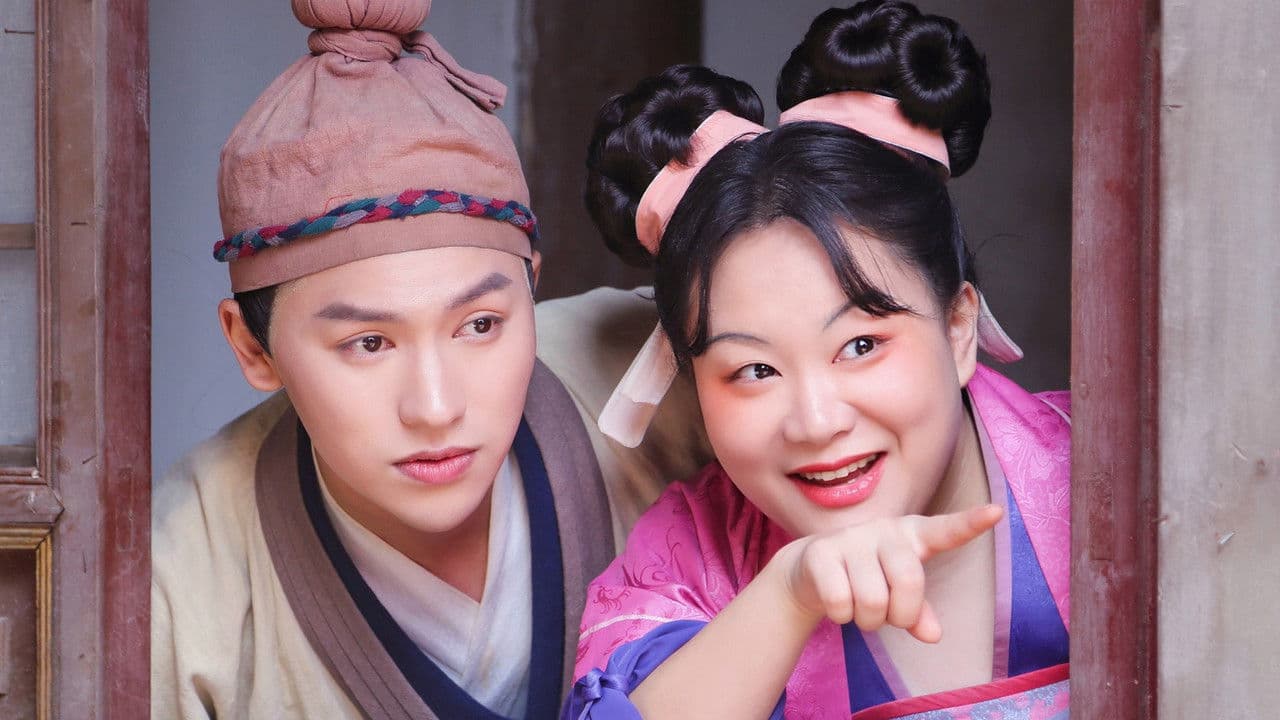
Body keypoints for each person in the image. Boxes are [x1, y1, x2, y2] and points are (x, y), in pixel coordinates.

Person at [150, 1, 710, 718]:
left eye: (480, 325)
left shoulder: (663, 378)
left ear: (531, 289)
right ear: (252, 347)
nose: (437, 407)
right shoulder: (178, 576)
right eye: (369, 343)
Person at [564, 3, 1071, 718]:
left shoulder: (1109, 476)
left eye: (860, 346)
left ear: (959, 328)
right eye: (754, 370)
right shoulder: (686, 563)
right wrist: (790, 592)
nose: (816, 421)